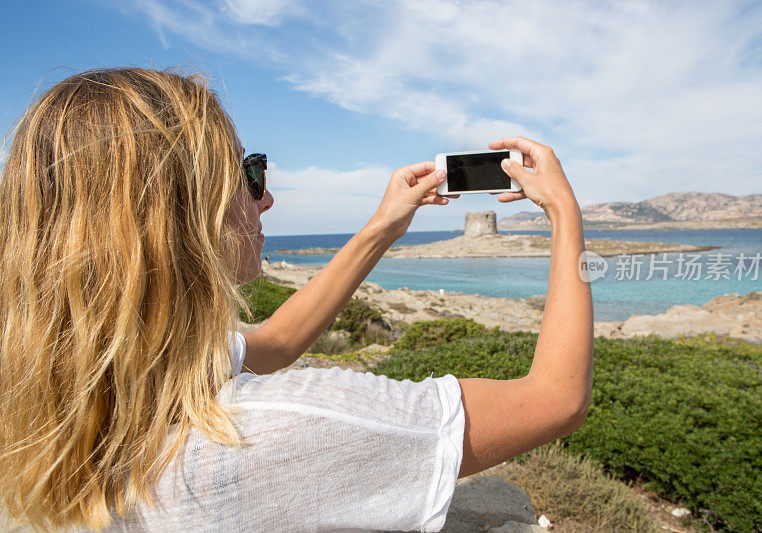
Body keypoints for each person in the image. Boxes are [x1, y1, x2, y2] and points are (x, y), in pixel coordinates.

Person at [0, 68, 592, 532]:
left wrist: (382, 226)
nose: (268, 199)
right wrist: (565, 214)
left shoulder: (91, 394)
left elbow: (275, 344)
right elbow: (553, 401)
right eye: (249, 174)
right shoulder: (288, 431)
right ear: (179, 218)